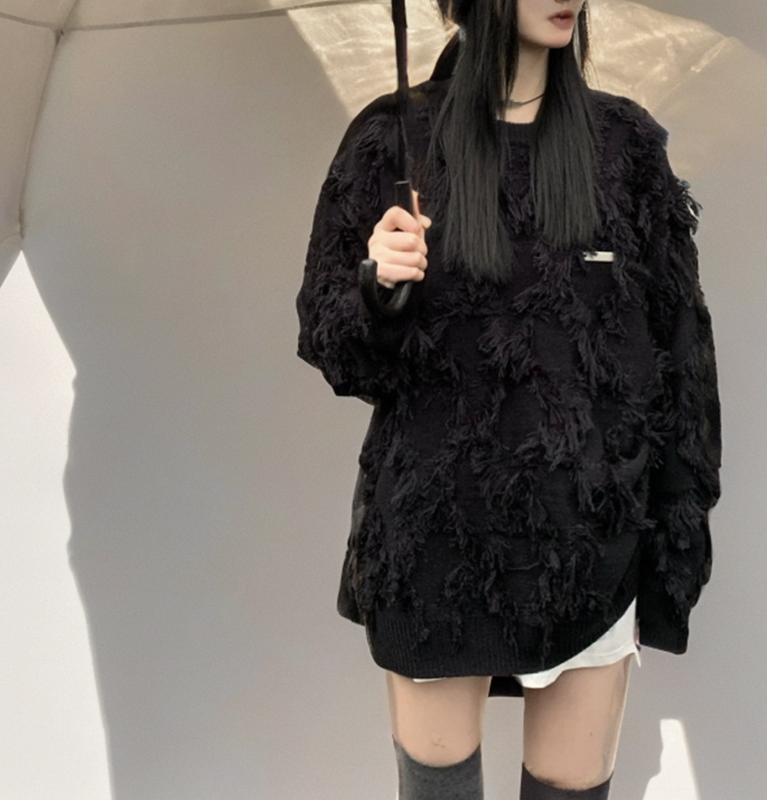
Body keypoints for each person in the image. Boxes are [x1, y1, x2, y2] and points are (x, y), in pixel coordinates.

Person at [296, 0, 721, 797]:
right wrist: (378, 290)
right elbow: (335, 349)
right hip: (435, 542)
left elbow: (681, 356)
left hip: (591, 547)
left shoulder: (623, 146)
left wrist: (674, 542)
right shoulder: (393, 140)